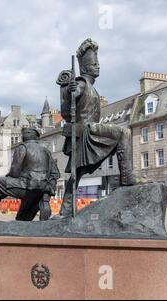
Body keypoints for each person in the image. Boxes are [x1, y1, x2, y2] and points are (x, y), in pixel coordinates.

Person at [57, 38, 146, 217]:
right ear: (84, 66)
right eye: (93, 63)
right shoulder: (82, 83)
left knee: (77, 174)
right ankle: (126, 176)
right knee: (124, 132)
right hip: (86, 131)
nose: (98, 66)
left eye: (98, 63)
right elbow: (68, 108)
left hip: (86, 132)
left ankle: (65, 209)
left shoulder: (91, 87)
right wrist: (69, 91)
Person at [0, 127, 60, 226]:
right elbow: (55, 174)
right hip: (40, 191)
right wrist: (46, 193)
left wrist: (6, 184)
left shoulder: (23, 147)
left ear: (24, 136)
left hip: (26, 186)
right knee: (21, 220)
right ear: (36, 137)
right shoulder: (46, 151)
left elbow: (15, 171)